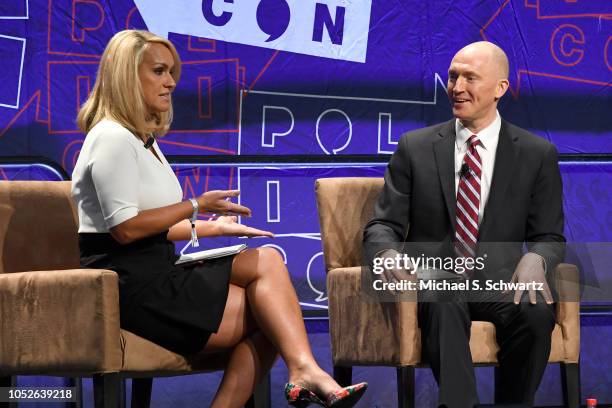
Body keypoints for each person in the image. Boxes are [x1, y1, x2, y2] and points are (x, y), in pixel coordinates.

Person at [71, 29, 366, 408]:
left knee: (267, 264)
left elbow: (150, 225)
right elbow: (126, 230)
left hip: (157, 270)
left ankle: (303, 369)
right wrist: (195, 205)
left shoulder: (139, 138)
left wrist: (211, 227)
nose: (171, 82)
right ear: (127, 75)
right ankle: (304, 370)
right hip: (132, 288)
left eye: (172, 71)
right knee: (272, 317)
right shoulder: (111, 138)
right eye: (159, 71)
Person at [363, 41, 565, 407]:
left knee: (535, 314)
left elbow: (549, 234)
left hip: (500, 281)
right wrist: (388, 256)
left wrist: (538, 257)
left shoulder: (536, 154)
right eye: (453, 76)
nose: (456, 87)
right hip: (437, 278)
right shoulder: (416, 147)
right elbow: (382, 225)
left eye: (470, 78)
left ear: (501, 88)